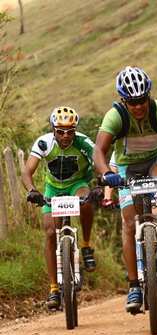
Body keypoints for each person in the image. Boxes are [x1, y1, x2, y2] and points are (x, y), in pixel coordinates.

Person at [93, 66, 157, 313]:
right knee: (129, 223)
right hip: (128, 167)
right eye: (132, 101)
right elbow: (99, 151)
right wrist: (107, 173)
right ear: (122, 100)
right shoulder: (114, 116)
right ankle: (134, 286)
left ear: (148, 95)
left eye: (141, 100)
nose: (138, 106)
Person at [21, 106, 103, 310]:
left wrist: (101, 183)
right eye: (60, 131)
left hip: (77, 184)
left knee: (86, 200)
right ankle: (53, 289)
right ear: (53, 129)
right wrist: (32, 190)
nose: (66, 136)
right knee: (50, 232)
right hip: (52, 189)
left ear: (75, 130)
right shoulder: (43, 143)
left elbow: (100, 162)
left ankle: (85, 245)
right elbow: (27, 171)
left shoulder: (83, 142)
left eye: (70, 131)